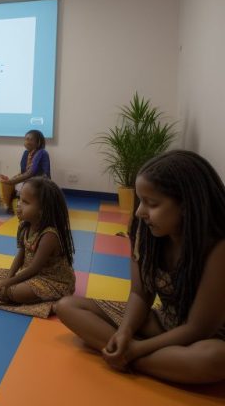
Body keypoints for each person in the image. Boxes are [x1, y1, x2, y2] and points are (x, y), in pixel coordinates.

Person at [56, 151, 225, 384]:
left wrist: (137, 349)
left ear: (187, 205)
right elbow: (139, 294)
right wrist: (125, 332)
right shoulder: (145, 233)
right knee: (67, 306)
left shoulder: (217, 247)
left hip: (206, 337)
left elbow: (199, 328)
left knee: (213, 359)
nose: (139, 211)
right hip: (163, 322)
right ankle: (157, 362)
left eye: (152, 203)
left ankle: (133, 359)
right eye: (140, 201)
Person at [0, 178, 75, 318]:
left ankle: (6, 293)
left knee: (15, 292)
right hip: (29, 275)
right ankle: (3, 290)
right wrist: (9, 277)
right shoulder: (24, 226)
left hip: (51, 281)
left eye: (25, 202)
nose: (19, 204)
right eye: (20, 199)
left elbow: (34, 269)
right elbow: (20, 256)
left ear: (41, 210)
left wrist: (3, 284)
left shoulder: (49, 236)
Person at [0, 130, 51, 213]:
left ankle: (23, 204)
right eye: (26, 139)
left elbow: (31, 173)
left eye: (30, 139)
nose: (27, 142)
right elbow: (23, 171)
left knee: (11, 183)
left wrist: (12, 181)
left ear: (38, 142)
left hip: (40, 181)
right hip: (29, 179)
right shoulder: (26, 153)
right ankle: (10, 206)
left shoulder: (42, 152)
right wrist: (12, 179)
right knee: (6, 183)